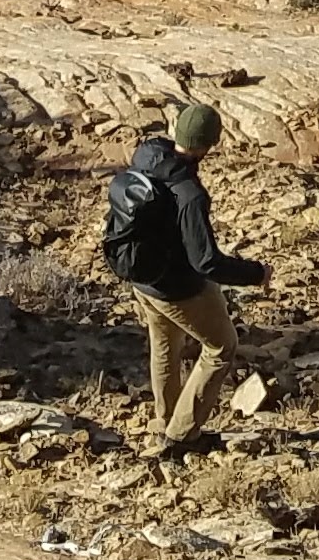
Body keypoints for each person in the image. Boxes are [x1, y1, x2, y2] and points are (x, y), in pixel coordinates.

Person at [105, 98, 270, 443]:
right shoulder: (189, 194)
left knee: (165, 344)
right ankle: (182, 436)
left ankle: (165, 420)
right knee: (221, 347)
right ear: (208, 145)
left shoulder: (147, 156)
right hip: (177, 288)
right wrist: (256, 274)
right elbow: (206, 261)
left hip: (143, 280)